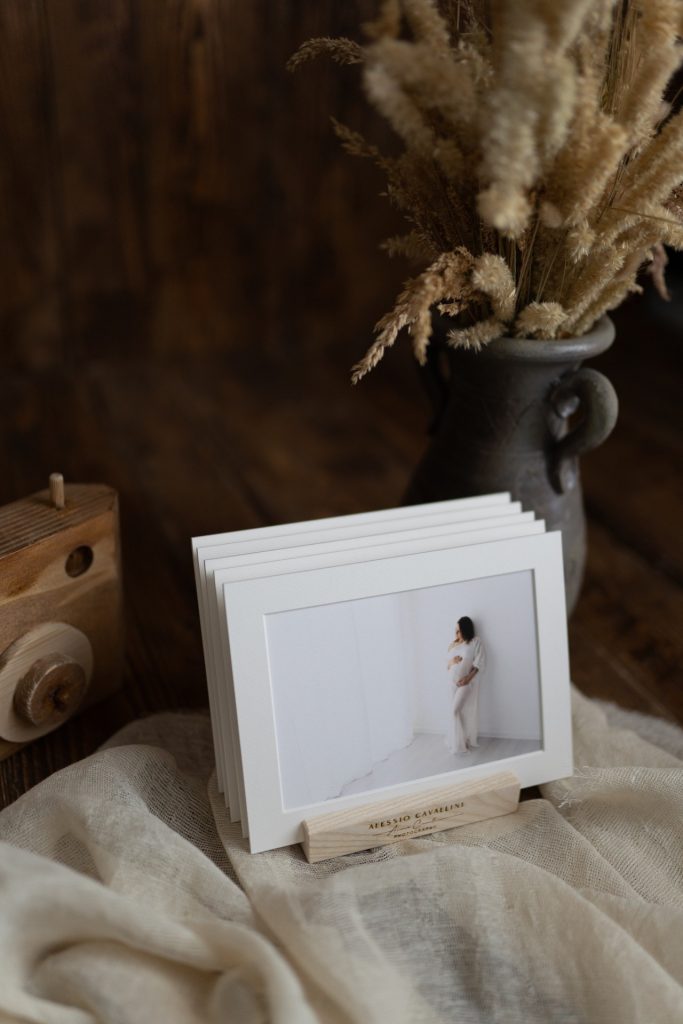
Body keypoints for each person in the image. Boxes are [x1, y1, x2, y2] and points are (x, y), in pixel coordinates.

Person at [445, 616, 486, 754]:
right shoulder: (453, 644)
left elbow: (479, 662)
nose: (456, 634)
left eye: (459, 631)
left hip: (465, 683)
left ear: (466, 629)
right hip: (451, 682)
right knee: (457, 713)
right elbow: (447, 665)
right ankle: (461, 741)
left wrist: (468, 678)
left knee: (454, 710)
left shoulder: (475, 642)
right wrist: (452, 661)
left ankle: (462, 744)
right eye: (455, 631)